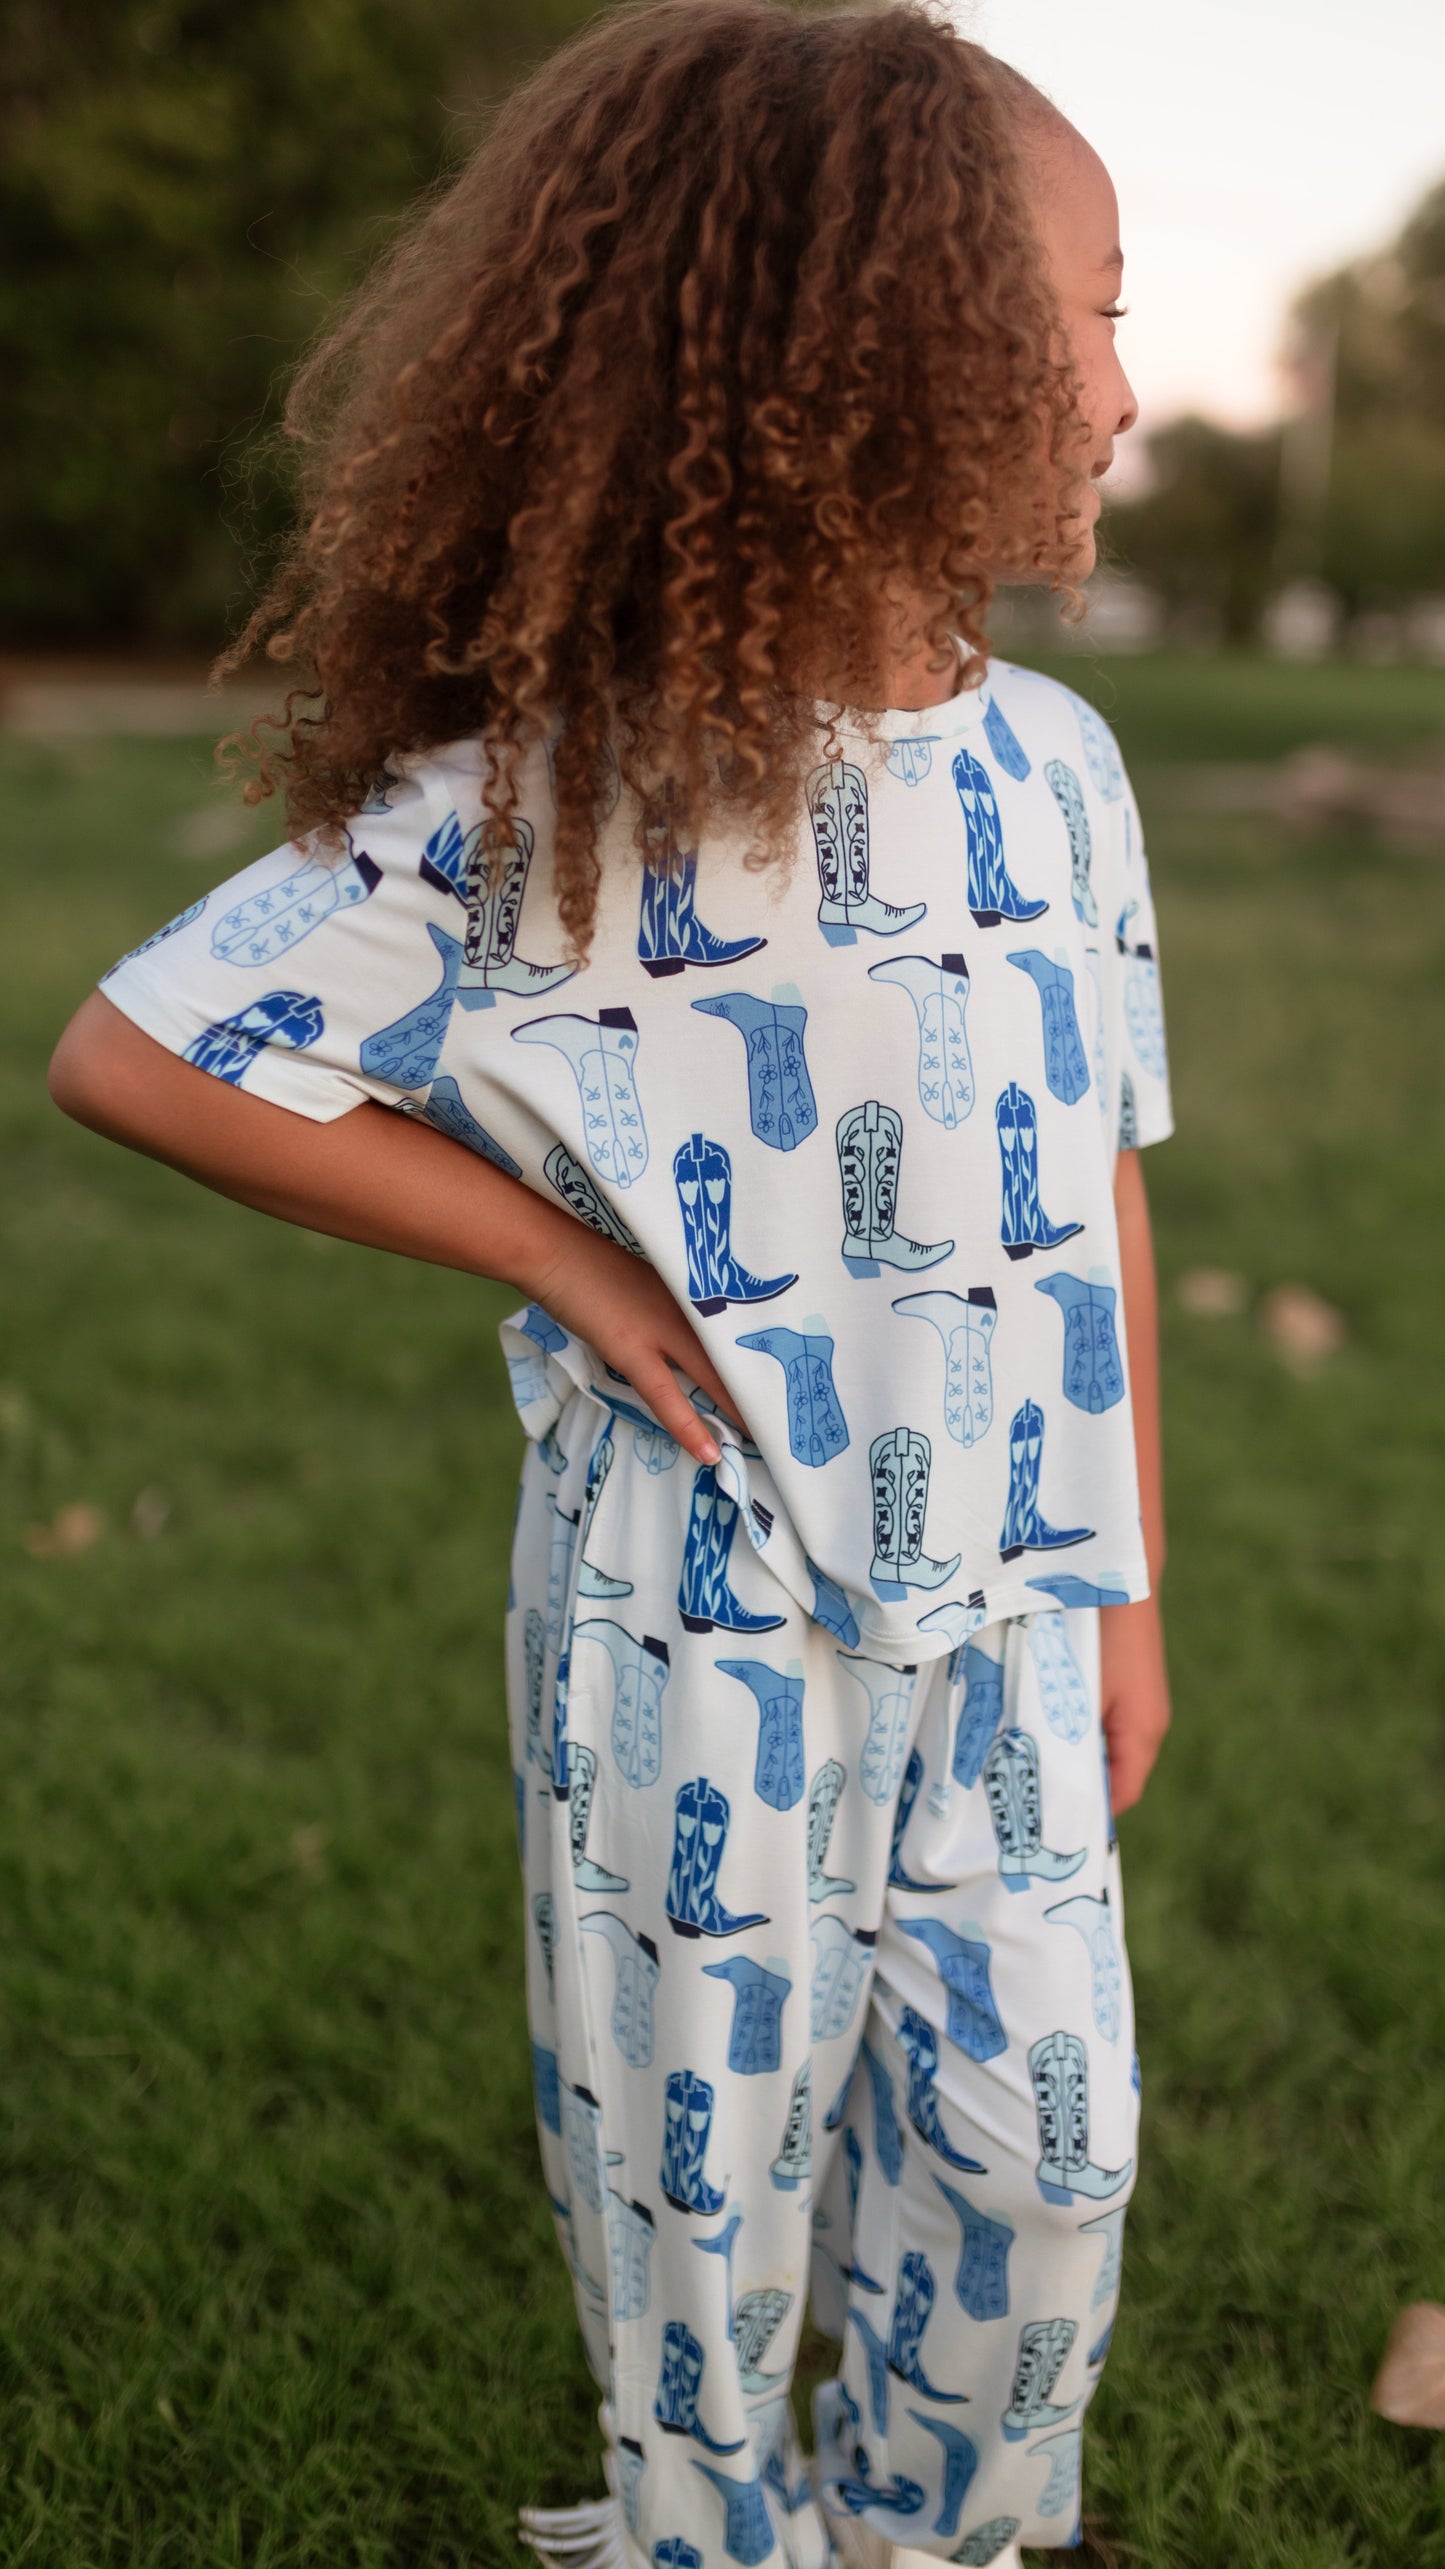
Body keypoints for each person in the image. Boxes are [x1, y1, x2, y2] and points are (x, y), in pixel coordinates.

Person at [48, 7, 1173, 2564]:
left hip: (1009, 1598)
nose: (1126, 389)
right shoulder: (563, 797)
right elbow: (141, 1051)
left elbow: (1094, 1184)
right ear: (878, 351)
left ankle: (938, 2531)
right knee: (702, 2190)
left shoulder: (1063, 771)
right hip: (703, 1604)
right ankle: (709, 2535)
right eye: (1090, 317)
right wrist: (559, 1246)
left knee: (1050, 2148)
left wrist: (1130, 1583)